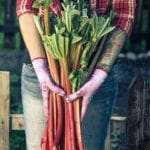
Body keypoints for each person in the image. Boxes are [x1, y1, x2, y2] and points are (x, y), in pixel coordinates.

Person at [16, 0, 136, 149]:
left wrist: (99, 74)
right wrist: (40, 66)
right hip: (40, 60)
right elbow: (26, 5)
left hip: (96, 69)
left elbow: (123, 12)